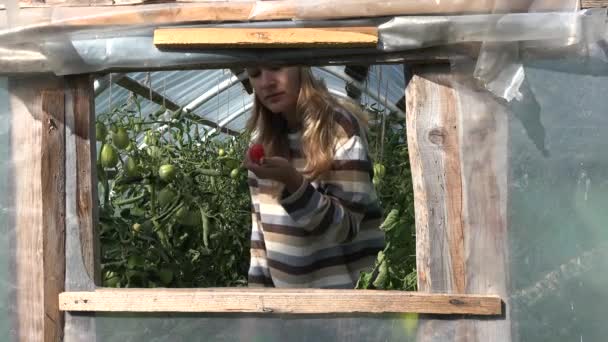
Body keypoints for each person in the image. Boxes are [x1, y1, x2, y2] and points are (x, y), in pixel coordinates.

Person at [243, 66, 384, 288]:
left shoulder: (338, 129)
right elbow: (259, 233)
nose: (266, 82)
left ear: (302, 65)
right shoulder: (262, 141)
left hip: (346, 308)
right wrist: (257, 298)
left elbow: (345, 227)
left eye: (275, 66)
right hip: (289, 308)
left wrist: (293, 183)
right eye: (255, 73)